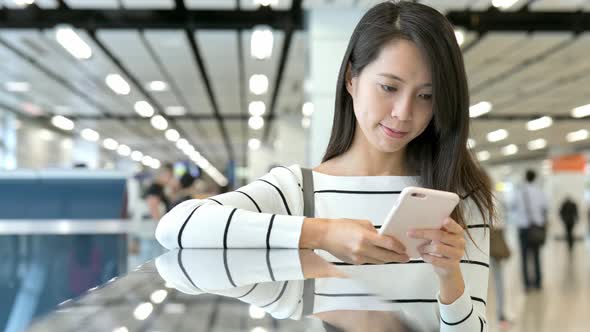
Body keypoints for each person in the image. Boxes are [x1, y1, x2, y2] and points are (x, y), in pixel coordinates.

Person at [156, 2, 494, 331]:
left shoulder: (459, 196)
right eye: (389, 87)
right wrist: (322, 233)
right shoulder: (298, 191)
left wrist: (450, 277)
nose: (403, 112)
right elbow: (177, 228)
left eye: (427, 96)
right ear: (351, 78)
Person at [513, 170, 548, 291]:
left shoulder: (519, 193)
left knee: (524, 257)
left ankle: (527, 284)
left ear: (525, 178)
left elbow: (514, 207)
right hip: (536, 228)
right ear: (535, 178)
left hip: (523, 228)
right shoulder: (540, 192)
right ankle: (538, 283)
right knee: (536, 256)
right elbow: (545, 209)